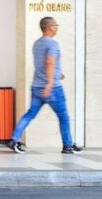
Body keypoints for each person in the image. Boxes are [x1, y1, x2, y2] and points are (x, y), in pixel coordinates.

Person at [7, 16, 82, 154]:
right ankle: (68, 145)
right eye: (55, 25)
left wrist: (58, 74)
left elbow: (44, 64)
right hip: (52, 89)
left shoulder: (37, 44)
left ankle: (14, 139)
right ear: (49, 27)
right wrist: (50, 83)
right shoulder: (53, 44)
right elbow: (49, 62)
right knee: (63, 116)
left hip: (36, 86)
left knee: (30, 114)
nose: (57, 27)